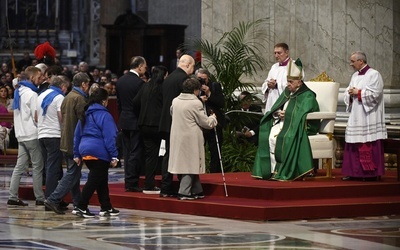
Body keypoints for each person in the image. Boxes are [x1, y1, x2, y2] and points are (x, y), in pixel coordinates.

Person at [252, 59, 320, 181]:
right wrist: (277, 113)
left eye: (290, 82)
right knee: (268, 135)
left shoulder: (308, 95)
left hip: (299, 125)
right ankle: (271, 171)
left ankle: (284, 171)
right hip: (284, 122)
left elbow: (307, 113)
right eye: (288, 81)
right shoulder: (288, 91)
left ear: (299, 82)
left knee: (281, 137)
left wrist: (287, 115)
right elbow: (277, 106)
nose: (288, 84)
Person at [44, 72, 90, 214]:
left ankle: (78, 203)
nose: (87, 87)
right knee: (72, 173)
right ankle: (53, 199)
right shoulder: (80, 99)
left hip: (65, 140)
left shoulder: (67, 97)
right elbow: (84, 122)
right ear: (83, 84)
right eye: (87, 84)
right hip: (74, 142)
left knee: (74, 174)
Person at [73, 88, 120, 217]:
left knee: (101, 178)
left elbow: (77, 135)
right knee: (94, 179)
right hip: (99, 150)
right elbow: (110, 137)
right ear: (104, 101)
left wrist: (76, 153)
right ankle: (81, 206)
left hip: (84, 149)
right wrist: (114, 155)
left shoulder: (85, 113)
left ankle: (106, 206)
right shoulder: (105, 115)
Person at [168, 78, 218, 200]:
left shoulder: (175, 101)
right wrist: (213, 118)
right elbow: (205, 122)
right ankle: (184, 192)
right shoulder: (195, 103)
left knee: (189, 163)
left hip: (177, 135)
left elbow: (172, 113)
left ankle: (197, 190)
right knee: (189, 165)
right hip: (190, 138)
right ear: (196, 90)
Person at [341, 51, 387, 181]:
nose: (351, 64)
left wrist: (359, 92)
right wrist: (349, 93)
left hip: (369, 115)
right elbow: (348, 91)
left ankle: (369, 174)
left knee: (367, 141)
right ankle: (354, 173)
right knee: (353, 142)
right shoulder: (355, 75)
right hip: (356, 114)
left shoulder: (374, 74)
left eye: (353, 61)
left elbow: (376, 94)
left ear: (361, 61)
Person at [7, 66, 45, 206]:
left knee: (19, 167)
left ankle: (12, 196)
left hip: (20, 134)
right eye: (39, 76)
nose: (40, 79)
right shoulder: (32, 94)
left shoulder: (19, 91)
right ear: (32, 77)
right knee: (37, 166)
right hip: (31, 134)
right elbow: (36, 116)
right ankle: (40, 198)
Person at [159, 54, 195, 197]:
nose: (193, 69)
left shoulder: (169, 79)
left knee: (168, 154)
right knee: (179, 155)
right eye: (193, 66)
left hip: (166, 121)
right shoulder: (184, 80)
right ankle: (180, 187)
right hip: (178, 124)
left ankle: (165, 187)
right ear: (187, 65)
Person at [133, 65, 168, 194]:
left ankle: (149, 183)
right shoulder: (162, 88)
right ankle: (156, 183)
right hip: (157, 125)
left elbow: (135, 102)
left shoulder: (145, 86)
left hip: (143, 124)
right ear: (163, 75)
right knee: (162, 154)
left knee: (149, 155)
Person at [116, 56, 147, 192]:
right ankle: (132, 182)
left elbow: (119, 104)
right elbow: (141, 105)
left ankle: (128, 180)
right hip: (135, 121)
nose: (145, 70)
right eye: (145, 67)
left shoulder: (120, 81)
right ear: (139, 66)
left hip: (124, 120)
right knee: (135, 152)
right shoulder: (139, 83)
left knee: (127, 153)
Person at [36, 76, 69, 199]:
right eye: (65, 88)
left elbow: (35, 117)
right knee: (53, 169)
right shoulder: (59, 97)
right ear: (62, 86)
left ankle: (54, 198)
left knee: (49, 167)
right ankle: (51, 199)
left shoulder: (41, 96)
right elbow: (62, 117)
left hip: (42, 135)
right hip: (54, 135)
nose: (65, 90)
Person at [195, 68, 225, 173]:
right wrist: (199, 100)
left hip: (214, 123)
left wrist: (209, 93)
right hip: (199, 123)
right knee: (198, 150)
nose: (202, 82)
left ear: (208, 78)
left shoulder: (214, 86)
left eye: (204, 79)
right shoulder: (193, 87)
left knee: (215, 152)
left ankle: (214, 174)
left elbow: (221, 103)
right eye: (199, 79)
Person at [261, 43, 304, 113]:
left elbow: (296, 85)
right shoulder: (274, 67)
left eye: (279, 53)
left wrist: (276, 85)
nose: (276, 56)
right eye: (275, 53)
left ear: (287, 52)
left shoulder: (295, 66)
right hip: (271, 102)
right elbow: (265, 82)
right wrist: (268, 85)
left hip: (285, 102)